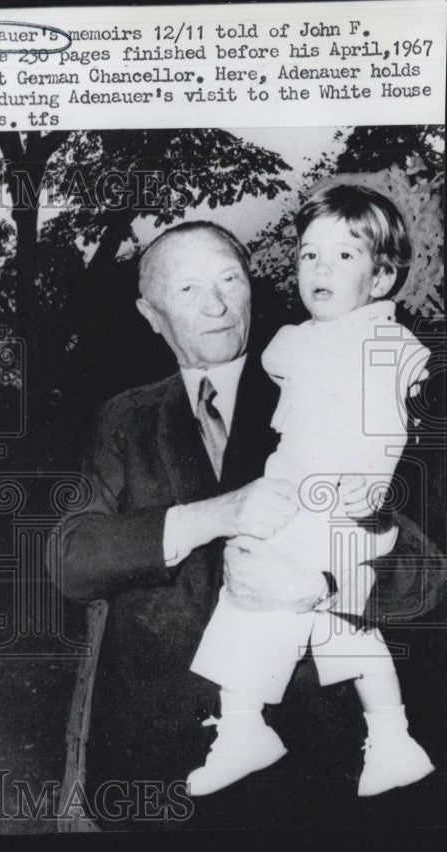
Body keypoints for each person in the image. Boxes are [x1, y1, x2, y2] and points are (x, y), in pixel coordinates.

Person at [53, 220, 445, 830]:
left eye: (229, 279)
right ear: (150, 313)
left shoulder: (326, 377)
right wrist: (215, 515)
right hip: (151, 775)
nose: (215, 305)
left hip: (305, 779)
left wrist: (323, 584)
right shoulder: (123, 419)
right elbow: (72, 559)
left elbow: (424, 569)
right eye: (186, 291)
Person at [188, 186, 434, 797]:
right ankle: (260, 728)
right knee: (263, 599)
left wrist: (381, 489)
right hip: (291, 496)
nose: (320, 269)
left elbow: (421, 409)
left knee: (327, 613)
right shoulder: (295, 342)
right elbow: (278, 365)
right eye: (307, 255)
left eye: (344, 257)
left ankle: (378, 737)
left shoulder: (392, 345)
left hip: (349, 504)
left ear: (381, 279)